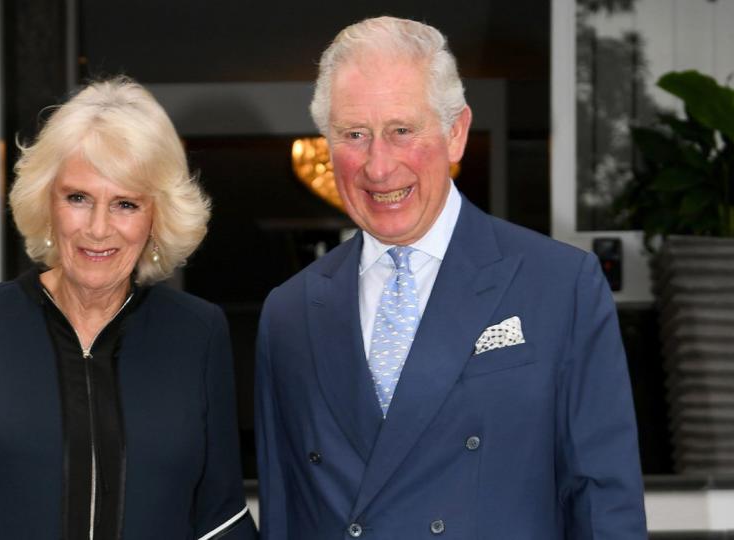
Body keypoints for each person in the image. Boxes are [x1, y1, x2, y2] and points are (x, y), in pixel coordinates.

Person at [255, 16, 647, 539]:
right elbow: (284, 513)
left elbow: (604, 504)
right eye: (354, 135)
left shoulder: (561, 285)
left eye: (401, 131)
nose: (378, 166)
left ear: (456, 132)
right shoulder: (288, 312)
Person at [0, 77, 257, 540]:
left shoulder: (198, 332)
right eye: (78, 198)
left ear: (157, 215)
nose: (98, 229)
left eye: (125, 204)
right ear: (47, 201)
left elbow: (220, 518)